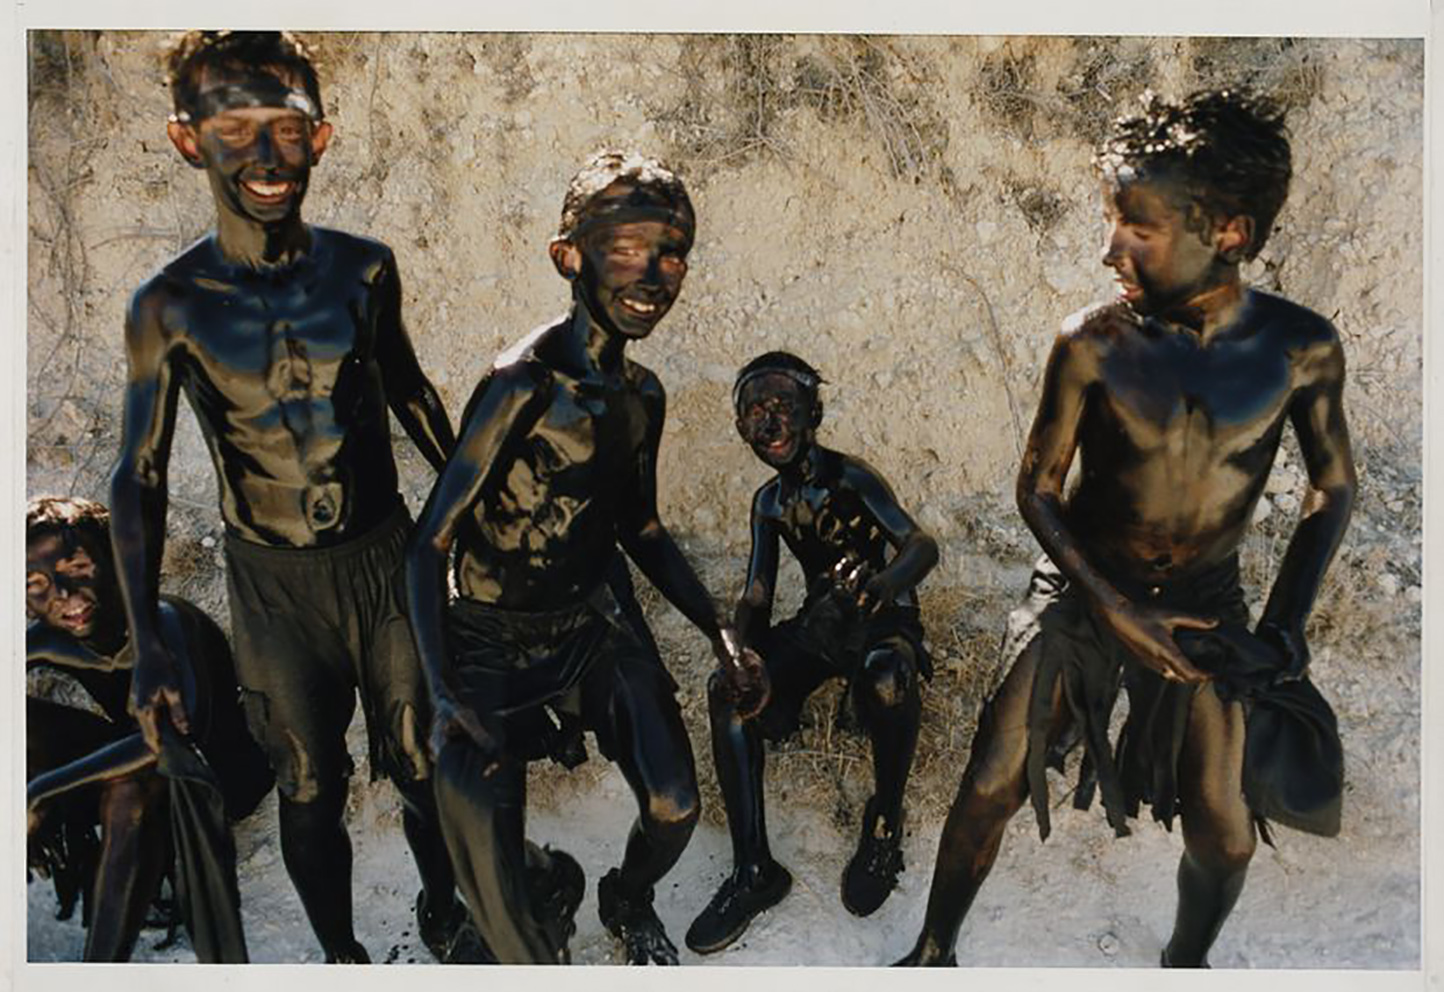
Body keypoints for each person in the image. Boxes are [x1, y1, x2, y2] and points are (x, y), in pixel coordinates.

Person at [897, 89, 1356, 968]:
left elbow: (1331, 490)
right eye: (1112, 223)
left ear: (1231, 231)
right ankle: (932, 953)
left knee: (1226, 838)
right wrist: (1115, 609)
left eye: (1138, 230)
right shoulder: (1093, 342)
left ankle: (1185, 965)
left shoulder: (1300, 349)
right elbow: (1037, 489)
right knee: (992, 782)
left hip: (1203, 602)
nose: (1110, 250)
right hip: (1082, 588)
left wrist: (1285, 626)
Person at [108, 31, 473, 963]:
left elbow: (411, 393)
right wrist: (146, 641)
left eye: (287, 126)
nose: (267, 155)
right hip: (274, 587)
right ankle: (341, 956)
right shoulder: (169, 305)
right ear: (187, 139)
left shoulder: (364, 269)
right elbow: (140, 474)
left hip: (384, 558)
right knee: (308, 785)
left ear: (322, 137)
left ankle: (446, 908)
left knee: (422, 761)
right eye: (235, 128)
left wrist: (471, 515)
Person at [405, 150, 767, 965]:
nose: (655, 275)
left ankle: (626, 897)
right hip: (489, 635)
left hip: (590, 625)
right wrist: (442, 687)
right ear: (568, 257)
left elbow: (642, 529)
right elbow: (431, 541)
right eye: (628, 248)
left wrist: (720, 632)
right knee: (487, 861)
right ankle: (539, 884)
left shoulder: (643, 396)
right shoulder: (522, 384)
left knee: (674, 805)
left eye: (674, 253)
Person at [685, 352, 938, 954]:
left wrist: (882, 586)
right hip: (821, 626)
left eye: (783, 408)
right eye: (755, 413)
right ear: (740, 427)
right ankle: (754, 870)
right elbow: (758, 593)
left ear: (814, 414)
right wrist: (740, 652)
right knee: (729, 692)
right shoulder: (768, 503)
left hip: (881, 618)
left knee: (885, 677)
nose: (770, 424)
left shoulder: (852, 478)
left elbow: (920, 546)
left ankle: (885, 821)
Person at [25, 495, 272, 962]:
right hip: (131, 756)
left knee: (128, 791)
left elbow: (166, 744)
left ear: (116, 560)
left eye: (78, 567)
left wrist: (41, 790)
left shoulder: (167, 624)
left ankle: (102, 967)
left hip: (211, 777)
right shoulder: (51, 638)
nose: (63, 594)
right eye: (36, 583)